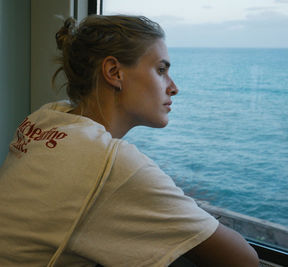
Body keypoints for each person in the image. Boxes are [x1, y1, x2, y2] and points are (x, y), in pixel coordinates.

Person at [0, 15, 258, 266]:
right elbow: (243, 259)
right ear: (114, 72)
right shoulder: (112, 162)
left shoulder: (45, 117)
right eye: (160, 70)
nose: (173, 87)